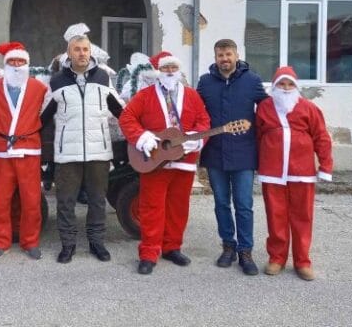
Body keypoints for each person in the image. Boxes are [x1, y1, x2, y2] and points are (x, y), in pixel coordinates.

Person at [119, 52, 211, 274]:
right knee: (151, 207)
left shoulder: (191, 96)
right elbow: (127, 118)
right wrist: (142, 138)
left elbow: (204, 121)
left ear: (178, 71)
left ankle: (172, 247)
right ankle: (149, 252)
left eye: (173, 68)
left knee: (178, 208)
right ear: (158, 72)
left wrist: (195, 140)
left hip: (184, 162)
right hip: (155, 161)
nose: (169, 72)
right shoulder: (145, 95)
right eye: (165, 68)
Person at [41, 22, 124, 263]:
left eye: (85, 49)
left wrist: (140, 132)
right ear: (69, 53)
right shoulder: (57, 81)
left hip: (98, 151)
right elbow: (43, 117)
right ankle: (68, 245)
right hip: (67, 153)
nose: (81, 53)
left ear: (91, 52)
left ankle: (97, 243)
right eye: (76, 49)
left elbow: (120, 110)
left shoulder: (103, 77)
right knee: (66, 201)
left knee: (97, 200)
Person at [197, 38, 268, 275]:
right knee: (221, 203)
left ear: (236, 55)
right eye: (220, 55)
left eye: (228, 54)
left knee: (244, 204)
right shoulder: (205, 82)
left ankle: (246, 251)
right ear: (215, 57)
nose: (224, 59)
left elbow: (268, 112)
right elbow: (195, 113)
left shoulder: (253, 81)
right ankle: (228, 246)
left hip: (244, 154)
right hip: (215, 152)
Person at [256, 66, 333, 281]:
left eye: (290, 84)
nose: (286, 88)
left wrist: (325, 166)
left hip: (302, 171)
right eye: (282, 84)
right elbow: (258, 135)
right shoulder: (264, 107)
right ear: (275, 86)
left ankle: (302, 260)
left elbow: (322, 138)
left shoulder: (309, 108)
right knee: (275, 215)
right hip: (272, 171)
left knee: (302, 216)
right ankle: (277, 257)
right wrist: (257, 163)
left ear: (296, 86)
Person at [0, 42, 48, 261]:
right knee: (1, 199)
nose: (17, 65)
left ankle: (30, 241)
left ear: (27, 64)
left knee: (31, 199)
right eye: (12, 61)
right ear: (5, 64)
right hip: (3, 151)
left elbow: (46, 114)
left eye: (21, 61)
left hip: (29, 150)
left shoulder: (40, 89)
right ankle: (1, 242)